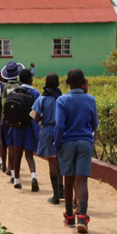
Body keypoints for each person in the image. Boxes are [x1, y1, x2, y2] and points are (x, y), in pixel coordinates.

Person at [55, 69, 98, 234]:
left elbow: (59, 125)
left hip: (67, 142)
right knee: (82, 181)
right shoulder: (90, 99)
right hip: (85, 142)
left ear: (68, 82)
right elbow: (94, 122)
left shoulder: (62, 100)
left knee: (68, 180)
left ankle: (69, 217)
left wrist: (57, 144)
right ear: (83, 82)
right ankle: (82, 217)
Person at [31, 73, 64, 204]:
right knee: (61, 161)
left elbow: (35, 116)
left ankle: (55, 195)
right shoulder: (62, 98)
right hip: (62, 131)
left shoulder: (42, 99)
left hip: (48, 131)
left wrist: (42, 122)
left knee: (52, 162)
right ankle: (62, 190)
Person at [6, 69, 40, 191]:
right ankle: (33, 176)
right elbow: (37, 112)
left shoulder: (13, 91)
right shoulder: (35, 93)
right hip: (29, 126)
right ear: (30, 79)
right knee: (29, 155)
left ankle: (16, 180)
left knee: (17, 154)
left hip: (16, 127)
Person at [0, 61, 22, 175]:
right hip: (18, 120)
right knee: (13, 145)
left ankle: (4, 164)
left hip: (4, 119)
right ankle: (11, 168)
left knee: (4, 143)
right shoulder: (20, 86)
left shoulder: (2, 87)